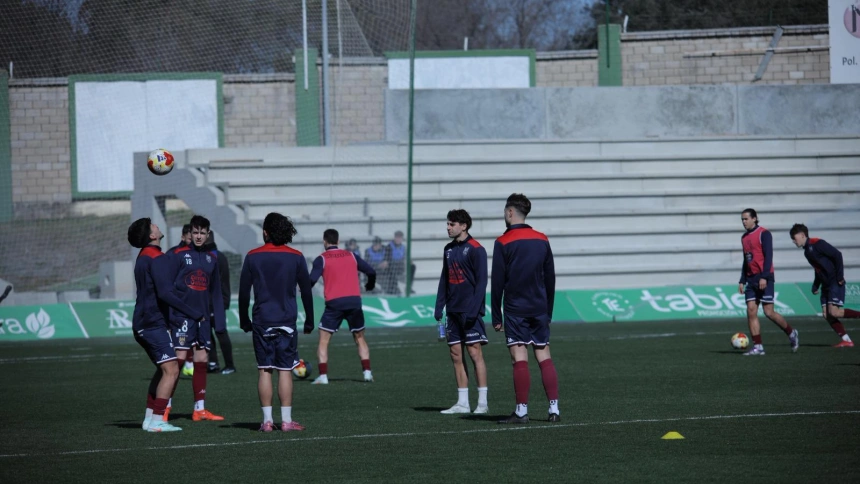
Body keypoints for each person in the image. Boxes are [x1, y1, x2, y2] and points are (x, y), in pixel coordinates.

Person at [128, 217, 206, 433]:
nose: (157, 226)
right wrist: (193, 313)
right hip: (151, 324)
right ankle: (157, 421)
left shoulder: (143, 256)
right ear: (152, 236)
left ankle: (149, 419)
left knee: (163, 369)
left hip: (145, 322)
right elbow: (165, 293)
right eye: (153, 225)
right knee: (171, 370)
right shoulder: (156, 257)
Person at [238, 212, 314, 432]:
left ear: (265, 232)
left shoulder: (252, 256)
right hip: (287, 320)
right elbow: (306, 291)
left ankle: (267, 421)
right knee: (285, 370)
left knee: (264, 370)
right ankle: (287, 422)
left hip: (262, 320)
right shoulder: (296, 256)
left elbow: (244, 292)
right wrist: (309, 319)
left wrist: (244, 319)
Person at [491, 193, 560, 424]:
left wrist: (496, 315)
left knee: (519, 358)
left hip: (516, 309)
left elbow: (497, 281)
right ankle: (554, 409)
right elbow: (550, 278)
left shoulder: (502, 242)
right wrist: (548, 310)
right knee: (544, 355)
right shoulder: (542, 239)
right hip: (539, 307)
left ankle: (521, 411)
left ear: (510, 212)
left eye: (504, 211)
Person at [164, 215, 226, 421]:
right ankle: (164, 408)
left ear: (208, 235)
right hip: (181, 317)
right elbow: (167, 288)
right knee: (178, 362)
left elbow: (216, 292)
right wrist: (169, 316)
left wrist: (220, 322)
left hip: (203, 319)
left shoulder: (212, 258)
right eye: (195, 232)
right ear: (190, 233)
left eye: (202, 233)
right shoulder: (178, 255)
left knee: (202, 360)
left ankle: (199, 409)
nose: (198, 236)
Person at [434, 209, 489, 414]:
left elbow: (482, 282)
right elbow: (444, 279)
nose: (448, 227)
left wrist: (474, 311)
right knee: (455, 354)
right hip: (453, 311)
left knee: (475, 353)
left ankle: (482, 403)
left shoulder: (476, 249)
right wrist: (440, 305)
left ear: (463, 226)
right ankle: (462, 403)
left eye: (452, 224)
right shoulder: (448, 249)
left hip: (470, 312)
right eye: (447, 224)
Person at [308, 229, 377, 385]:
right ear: (338, 241)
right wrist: (370, 284)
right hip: (354, 301)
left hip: (335, 303)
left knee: (324, 339)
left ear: (324, 241)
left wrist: (301, 287)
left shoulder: (321, 259)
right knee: (360, 338)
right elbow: (371, 271)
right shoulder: (351, 255)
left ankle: (323, 376)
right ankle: (367, 373)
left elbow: (311, 280)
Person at [738, 209, 798, 356]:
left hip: (764, 277)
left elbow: (768, 255)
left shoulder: (764, 234)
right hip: (751, 279)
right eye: (742, 220)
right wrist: (742, 279)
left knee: (768, 312)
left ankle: (791, 332)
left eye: (746, 219)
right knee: (751, 311)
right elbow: (746, 259)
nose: (744, 222)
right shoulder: (744, 237)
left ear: (755, 219)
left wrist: (764, 276)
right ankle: (758, 347)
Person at [790, 223, 858, 347]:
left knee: (835, 312)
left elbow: (837, 255)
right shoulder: (806, 252)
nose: (794, 241)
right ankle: (847, 340)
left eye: (794, 238)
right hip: (825, 284)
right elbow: (818, 269)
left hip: (834, 281)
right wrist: (816, 285)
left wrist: (840, 276)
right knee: (827, 314)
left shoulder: (818, 243)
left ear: (802, 235)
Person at [204, 230, 236, 374]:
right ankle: (213, 363)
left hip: (215, 302)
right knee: (208, 333)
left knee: (220, 332)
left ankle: (229, 365)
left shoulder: (212, 257)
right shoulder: (218, 255)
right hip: (215, 301)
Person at [168, 224, 196, 377]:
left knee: (192, 340)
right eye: (190, 237)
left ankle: (189, 364)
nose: (192, 240)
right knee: (178, 339)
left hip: (193, 304)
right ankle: (171, 370)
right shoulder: (173, 254)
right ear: (183, 237)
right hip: (177, 305)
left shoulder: (199, 254)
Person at [383, 230, 416, 295]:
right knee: (391, 267)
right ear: (394, 238)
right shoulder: (389, 247)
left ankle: (408, 287)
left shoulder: (403, 247)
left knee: (413, 266)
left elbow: (406, 257)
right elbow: (386, 259)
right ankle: (393, 288)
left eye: (400, 238)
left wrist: (409, 260)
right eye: (397, 237)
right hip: (392, 267)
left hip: (401, 267)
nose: (398, 239)